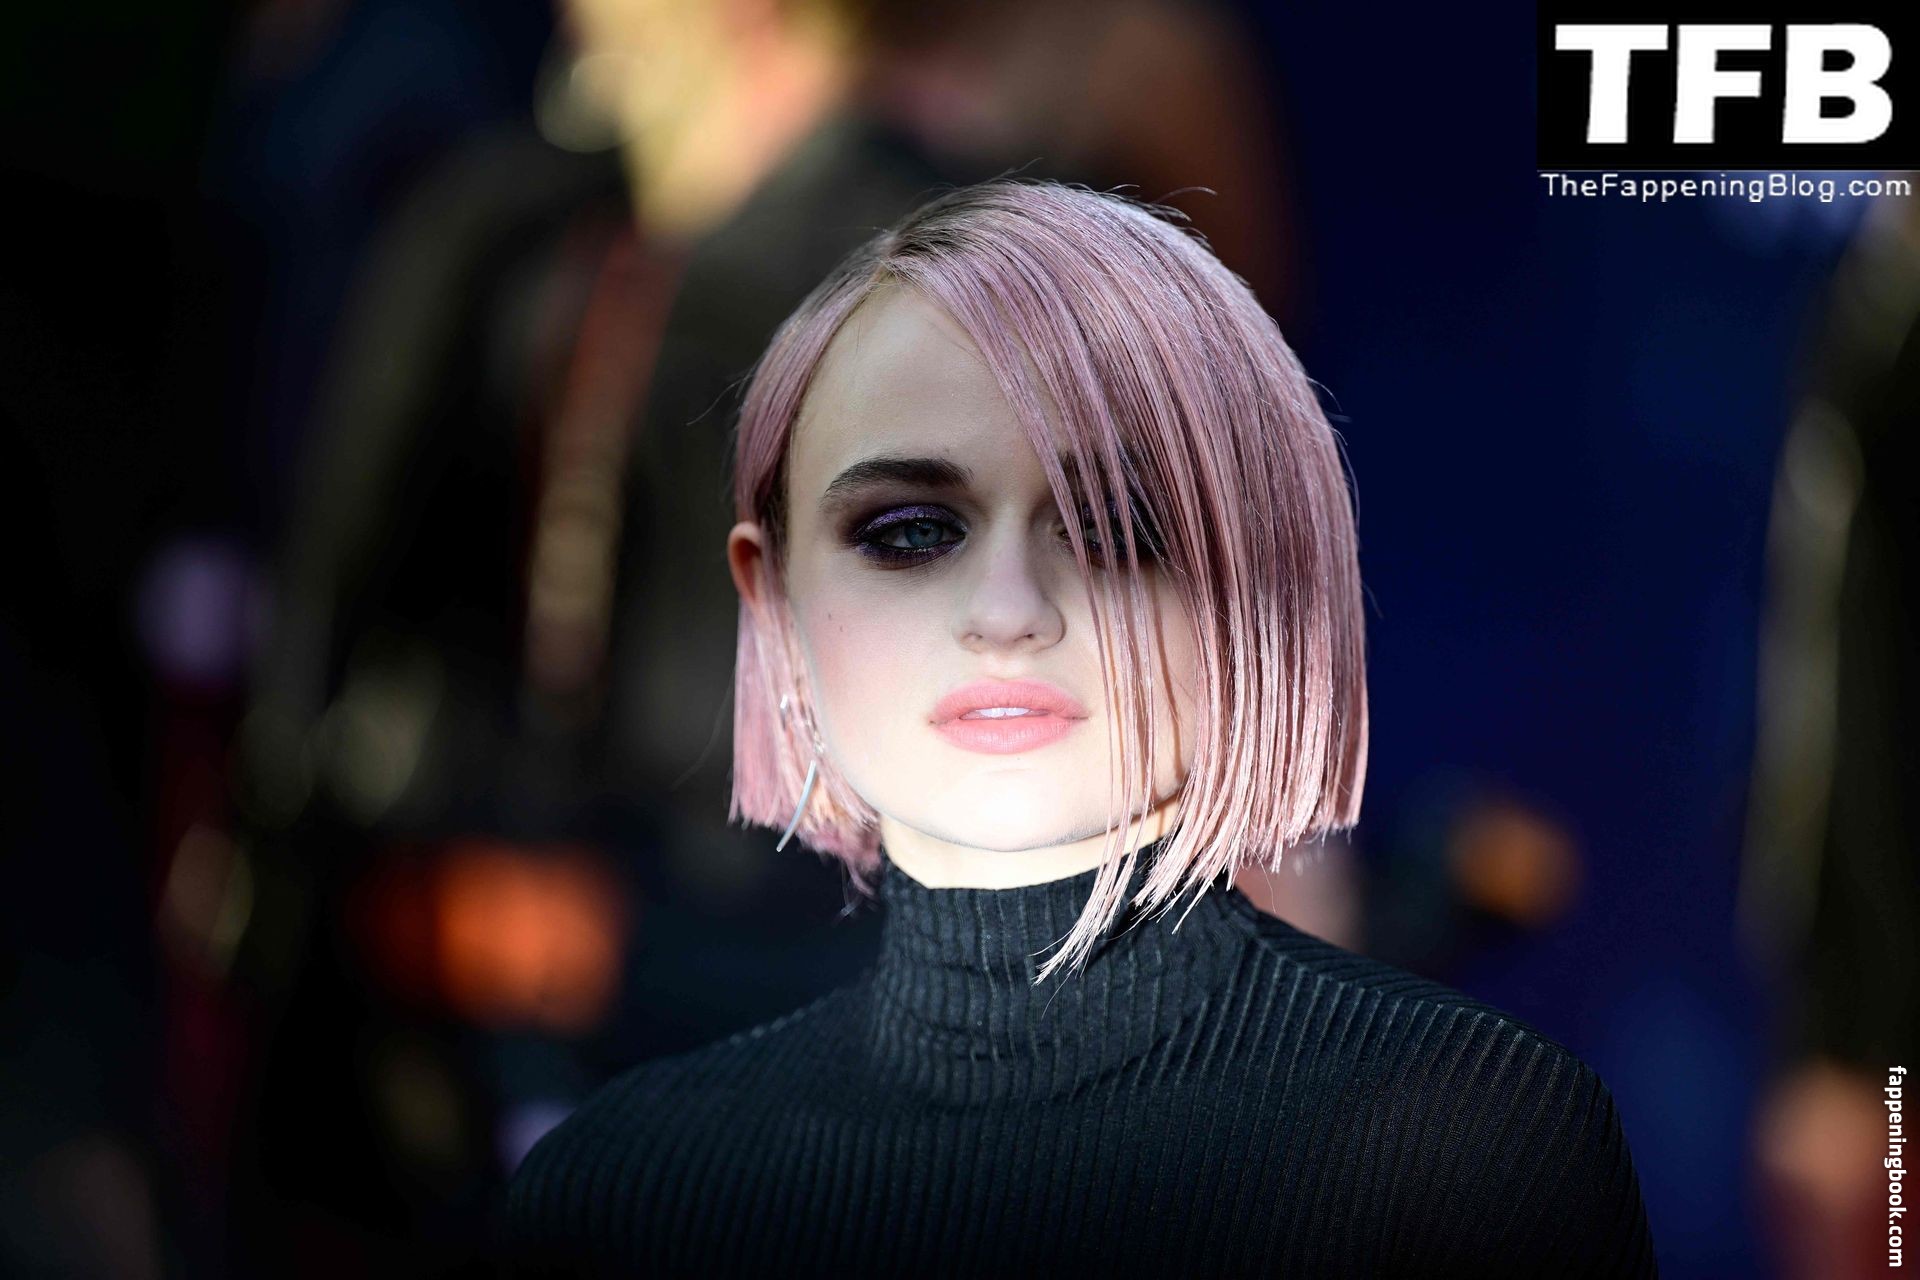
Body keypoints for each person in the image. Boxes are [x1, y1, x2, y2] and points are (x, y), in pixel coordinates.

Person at [504, 179, 1658, 1277]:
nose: (1008, 612)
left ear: (1260, 579)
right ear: (774, 599)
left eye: (1114, 527)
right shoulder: (620, 1194)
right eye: (910, 532)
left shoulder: (1475, 1144)